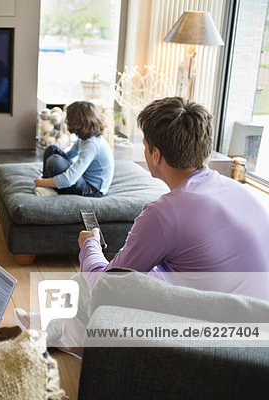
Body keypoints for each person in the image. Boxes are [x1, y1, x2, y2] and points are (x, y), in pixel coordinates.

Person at [16, 96, 269, 351]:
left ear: (155, 154)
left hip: (218, 341)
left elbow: (107, 287)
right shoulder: (238, 190)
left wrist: (89, 245)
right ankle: (49, 326)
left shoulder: (165, 213)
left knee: (87, 282)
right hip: (256, 327)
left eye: (145, 146)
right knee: (118, 278)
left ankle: (58, 336)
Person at [35, 101, 114, 197]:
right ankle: (49, 186)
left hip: (92, 190)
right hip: (83, 178)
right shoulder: (85, 137)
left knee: (54, 161)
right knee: (52, 149)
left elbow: (69, 179)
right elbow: (69, 156)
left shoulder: (92, 145)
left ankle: (47, 186)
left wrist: (40, 182)